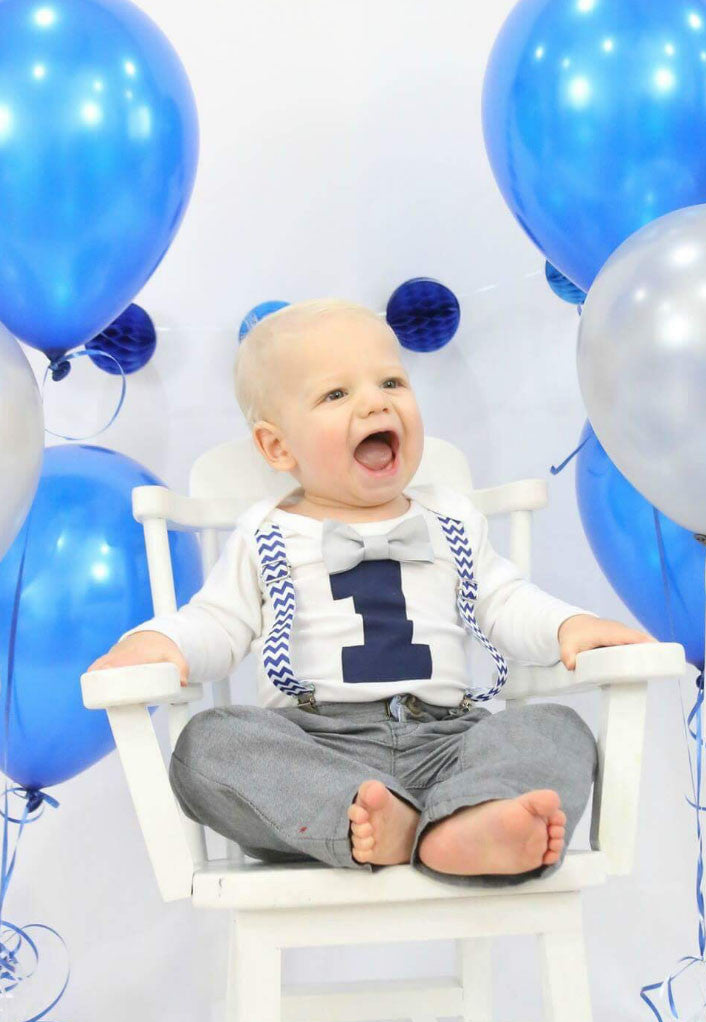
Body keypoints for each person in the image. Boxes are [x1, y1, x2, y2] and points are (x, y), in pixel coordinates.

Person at [87, 298, 654, 886]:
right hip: (315, 751)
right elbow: (217, 621)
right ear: (278, 448)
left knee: (556, 728)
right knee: (206, 747)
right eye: (336, 395)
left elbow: (506, 600)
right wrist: (160, 642)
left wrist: (569, 627)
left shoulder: (451, 519)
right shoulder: (267, 532)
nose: (376, 402)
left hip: (449, 743)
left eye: (391, 382)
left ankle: (467, 818)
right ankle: (365, 821)